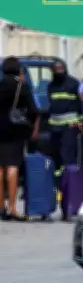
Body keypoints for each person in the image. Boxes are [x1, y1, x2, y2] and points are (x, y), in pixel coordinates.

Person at [0, 57, 39, 220]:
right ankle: (13, 208)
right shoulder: (22, 87)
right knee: (12, 167)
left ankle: (1, 207)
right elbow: (33, 110)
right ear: (18, 70)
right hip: (15, 131)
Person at [46, 58, 83, 177]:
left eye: (61, 69)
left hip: (70, 126)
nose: (59, 71)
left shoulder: (74, 83)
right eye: (56, 69)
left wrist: (81, 122)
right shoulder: (51, 85)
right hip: (54, 127)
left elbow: (80, 104)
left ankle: (69, 181)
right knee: (55, 155)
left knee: (67, 155)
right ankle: (57, 182)